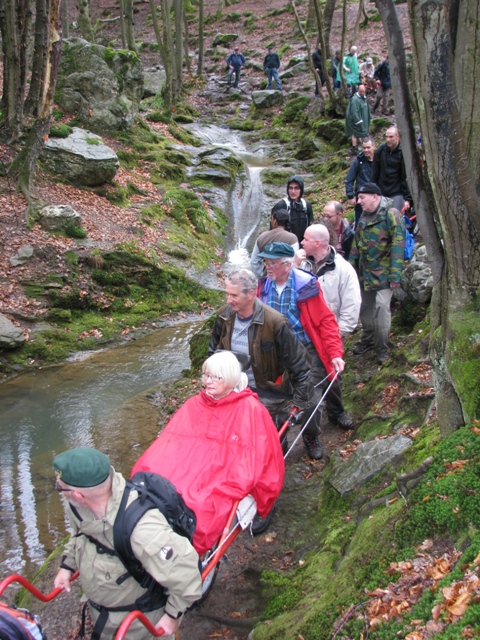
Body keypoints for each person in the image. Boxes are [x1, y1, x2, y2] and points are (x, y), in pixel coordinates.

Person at [133, 351, 285, 546]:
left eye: (216, 377)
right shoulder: (194, 404)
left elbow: (259, 456)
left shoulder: (250, 409)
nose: (208, 382)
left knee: (199, 503)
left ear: (231, 379)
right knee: (146, 476)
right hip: (191, 467)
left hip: (219, 472)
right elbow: (172, 441)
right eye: (206, 375)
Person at [53, 448, 202, 639]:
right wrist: (67, 566)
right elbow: (78, 536)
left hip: (140, 628)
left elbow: (188, 574)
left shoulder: (143, 531)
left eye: (60, 488)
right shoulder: (78, 508)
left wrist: (172, 617)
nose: (60, 492)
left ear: (78, 495)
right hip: (104, 620)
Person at [208, 268, 321, 459]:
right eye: (227, 294)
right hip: (234, 388)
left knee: (270, 440)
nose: (228, 300)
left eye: (234, 295)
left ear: (251, 294)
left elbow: (300, 366)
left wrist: (301, 402)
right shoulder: (224, 316)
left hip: (269, 391)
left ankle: (276, 460)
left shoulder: (275, 322)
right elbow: (213, 353)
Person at [256, 243, 346, 446]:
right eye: (265, 262)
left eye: (272, 263)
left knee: (311, 401)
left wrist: (335, 353)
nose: (267, 267)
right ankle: (280, 443)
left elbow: (326, 322)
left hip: (305, 351)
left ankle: (311, 436)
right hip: (275, 354)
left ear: (287, 265)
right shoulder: (261, 288)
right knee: (274, 401)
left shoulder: (306, 286)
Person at [294, 225, 360, 430]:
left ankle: (336, 411)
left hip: (332, 330)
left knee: (333, 374)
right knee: (309, 375)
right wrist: (295, 266)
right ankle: (307, 416)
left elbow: (352, 302)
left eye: (305, 239)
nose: (301, 242)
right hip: (306, 333)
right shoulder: (301, 265)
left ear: (318, 243)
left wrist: (341, 332)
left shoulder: (342, 269)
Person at [349, 183, 405, 364]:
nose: (359, 202)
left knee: (381, 307)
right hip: (365, 273)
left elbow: (398, 245)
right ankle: (368, 339)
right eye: (358, 198)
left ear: (374, 196)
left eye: (362, 198)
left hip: (384, 273)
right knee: (365, 307)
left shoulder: (391, 214)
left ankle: (382, 347)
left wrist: (395, 275)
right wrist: (350, 269)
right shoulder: (364, 215)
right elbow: (357, 244)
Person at [371, 125, 412, 212]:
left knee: (395, 219)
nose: (388, 139)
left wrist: (407, 198)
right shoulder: (380, 150)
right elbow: (374, 173)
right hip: (381, 192)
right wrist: (372, 191)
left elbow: (405, 177)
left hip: (397, 192)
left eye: (391, 137)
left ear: (398, 136)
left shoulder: (402, 152)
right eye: (386, 137)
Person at [251, 207, 299, 278]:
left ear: (275, 221)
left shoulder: (262, 237)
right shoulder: (292, 238)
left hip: (267, 280)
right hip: (285, 279)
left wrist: (262, 275)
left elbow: (254, 261)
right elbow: (293, 261)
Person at [271, 176, 314, 244]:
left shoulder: (306, 206)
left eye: (296, 188)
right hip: (285, 245)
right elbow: (273, 230)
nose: (293, 191)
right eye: (290, 188)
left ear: (301, 190)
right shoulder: (281, 206)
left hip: (303, 245)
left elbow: (311, 227)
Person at [345, 136, 376, 228]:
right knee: (360, 224)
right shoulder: (359, 160)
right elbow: (349, 179)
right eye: (364, 148)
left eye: (368, 147)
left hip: (376, 197)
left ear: (374, 146)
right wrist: (350, 195)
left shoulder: (380, 160)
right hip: (361, 198)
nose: (366, 150)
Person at [345, 84, 371, 149]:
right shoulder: (355, 100)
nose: (362, 93)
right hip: (358, 121)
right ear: (358, 90)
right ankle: (354, 148)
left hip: (364, 119)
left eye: (363, 91)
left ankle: (364, 147)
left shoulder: (364, 98)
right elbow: (354, 111)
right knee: (355, 134)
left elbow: (366, 108)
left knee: (363, 134)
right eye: (361, 91)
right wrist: (358, 120)